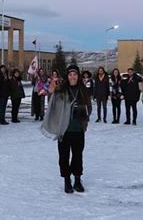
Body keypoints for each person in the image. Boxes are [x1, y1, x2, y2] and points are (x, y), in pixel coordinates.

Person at [41, 65, 92, 193]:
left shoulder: (83, 91)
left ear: (78, 76)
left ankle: (77, 179)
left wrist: (82, 111)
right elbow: (54, 106)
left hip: (78, 129)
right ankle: (67, 181)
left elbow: (89, 107)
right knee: (63, 157)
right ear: (67, 77)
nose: (73, 77)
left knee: (78, 156)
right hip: (64, 130)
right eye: (70, 75)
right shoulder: (61, 91)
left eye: (75, 75)